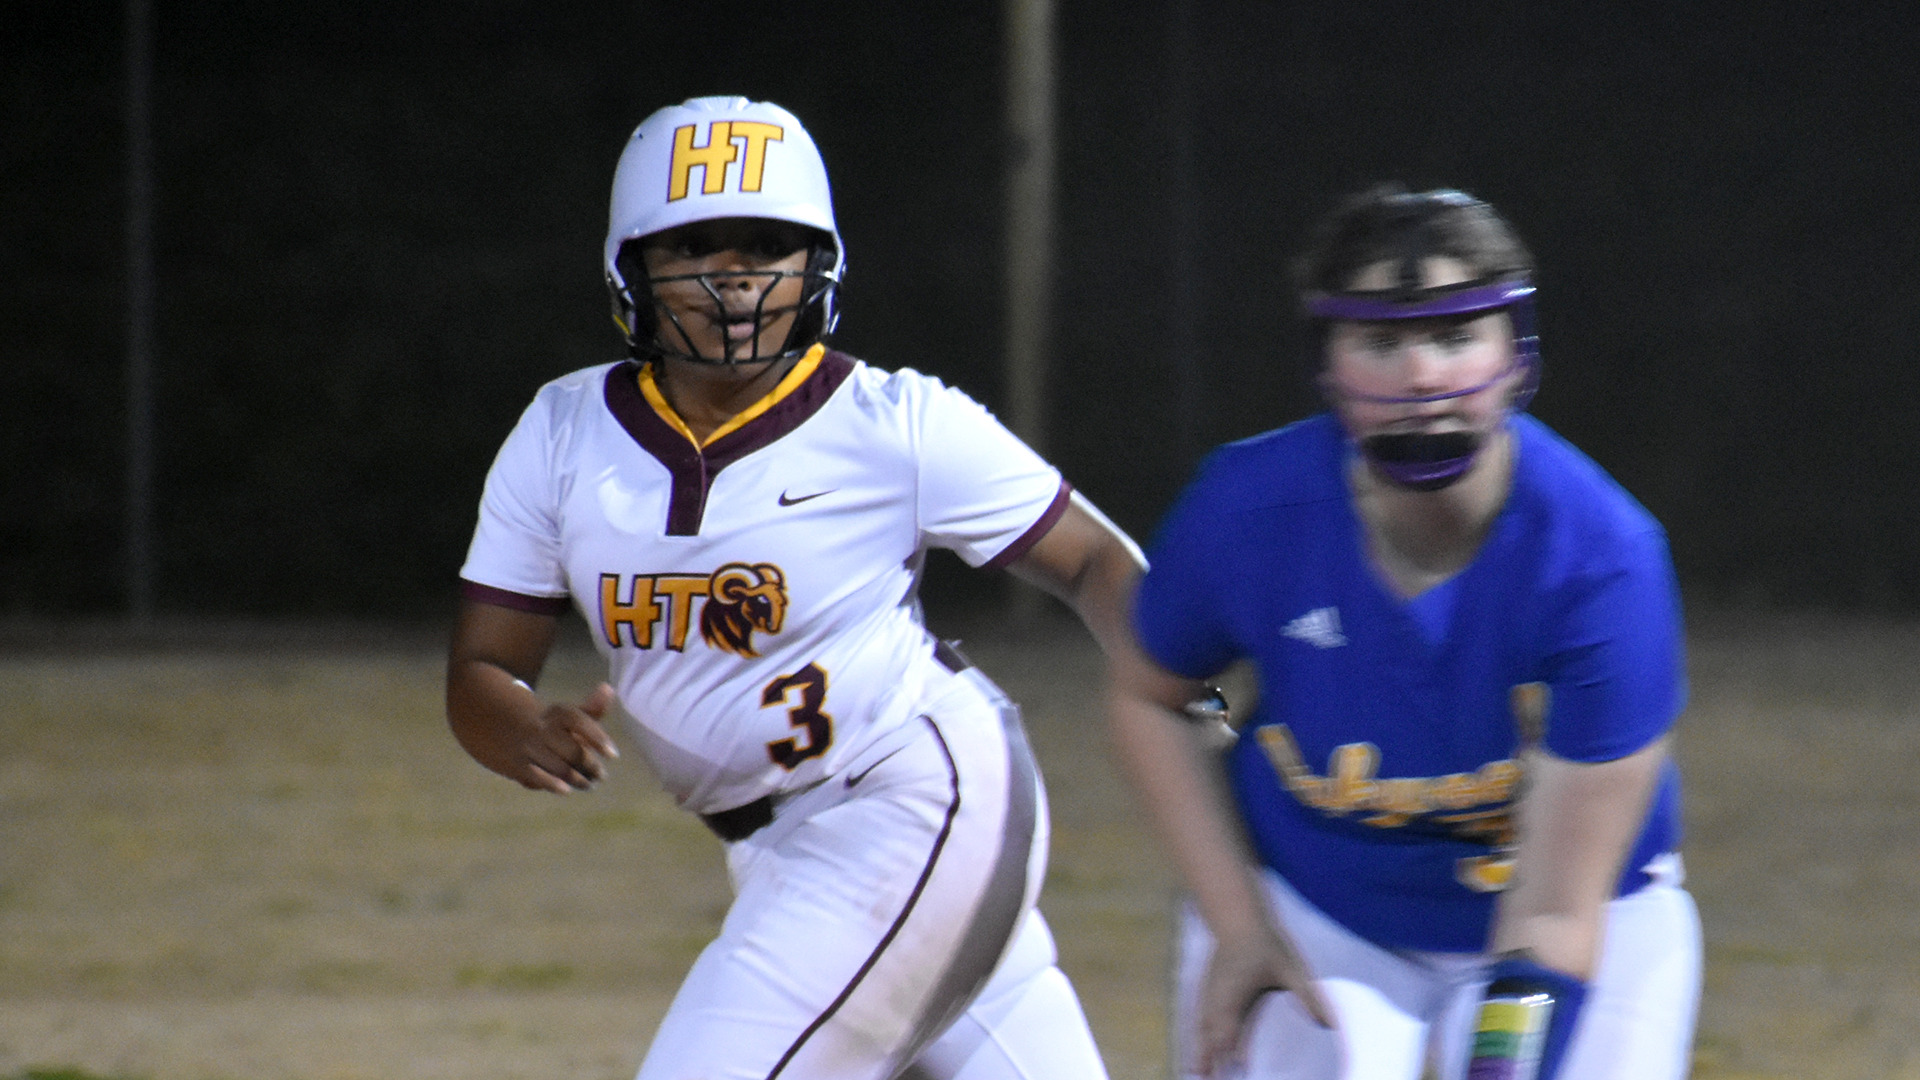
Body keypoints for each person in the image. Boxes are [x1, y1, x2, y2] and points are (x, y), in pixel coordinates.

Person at [445, 96, 1144, 1080]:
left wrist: (1183, 688)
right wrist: (516, 726)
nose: (734, 277)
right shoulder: (562, 433)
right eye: (695, 246)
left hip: (909, 800)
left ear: (818, 264)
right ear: (630, 266)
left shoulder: (893, 421)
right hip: (777, 850)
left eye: (768, 246)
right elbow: (482, 667)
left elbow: (1092, 558)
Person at [1104, 186, 1701, 1079]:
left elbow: (1552, 921)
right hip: (1318, 906)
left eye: (1456, 335)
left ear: (1516, 353)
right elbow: (1155, 697)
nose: (1422, 376)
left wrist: (1500, 1068)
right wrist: (1237, 925)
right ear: (1326, 362)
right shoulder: (1249, 510)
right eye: (1381, 342)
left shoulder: (1600, 562)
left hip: (1573, 911)